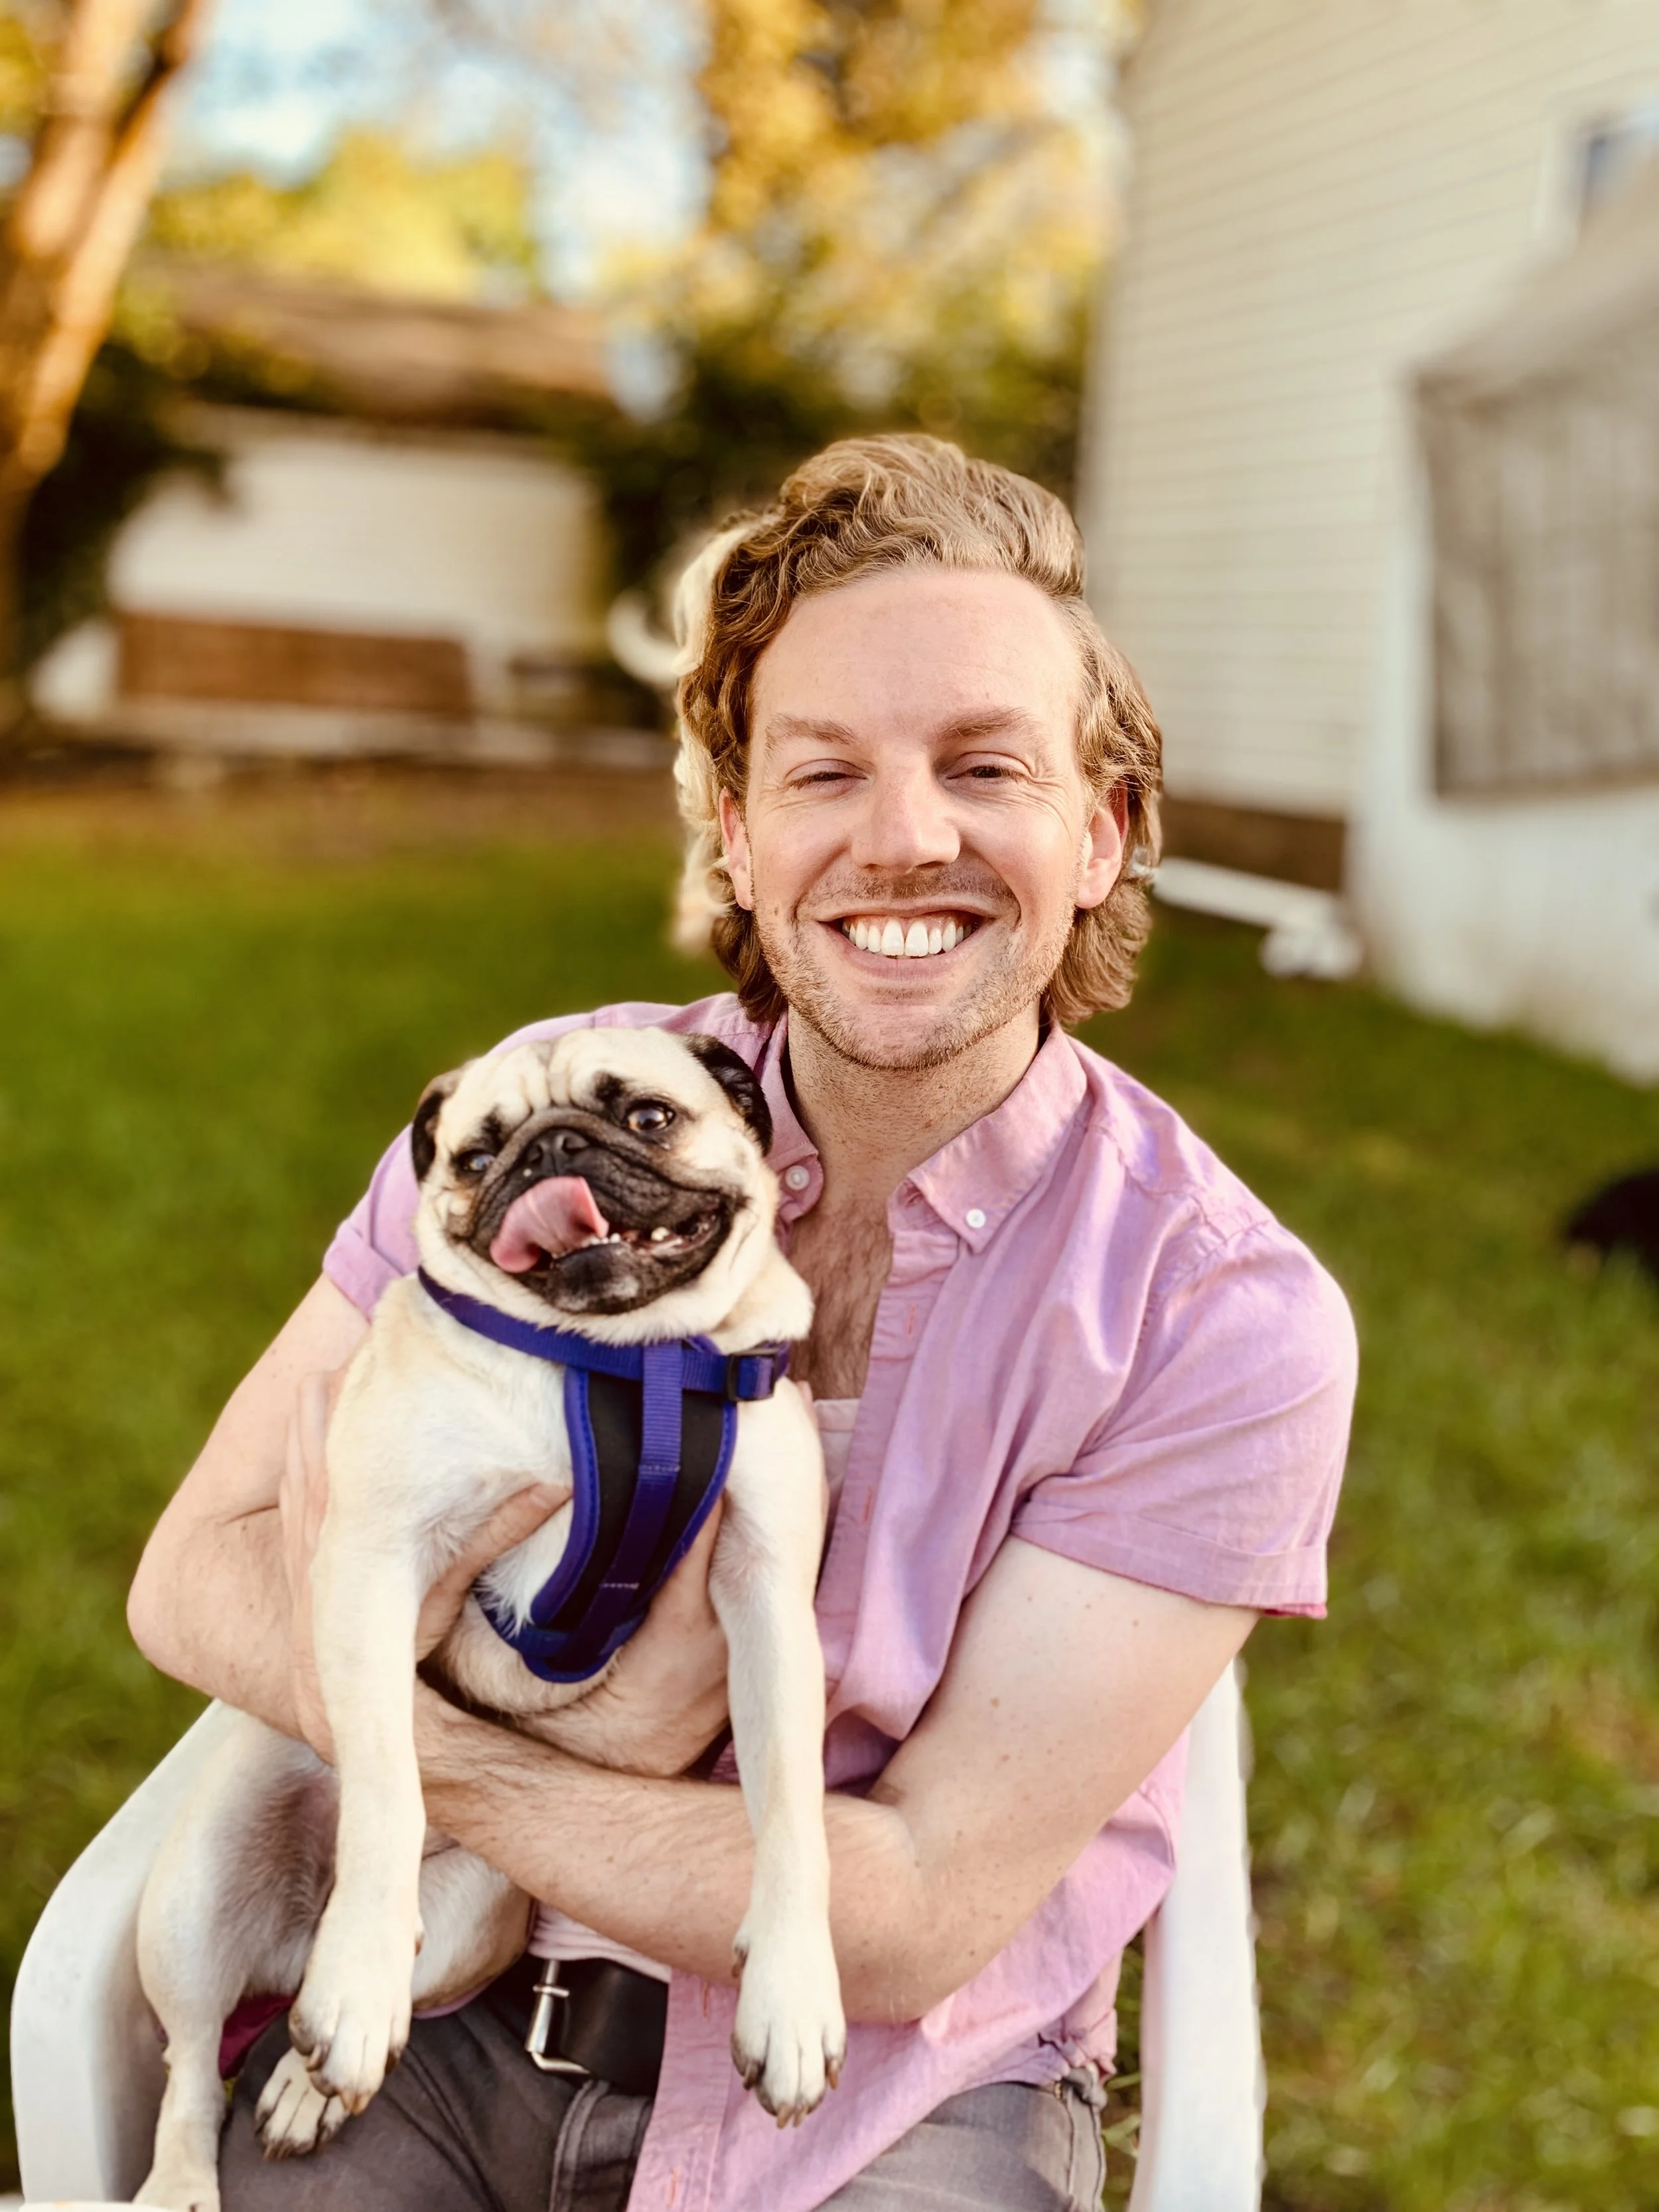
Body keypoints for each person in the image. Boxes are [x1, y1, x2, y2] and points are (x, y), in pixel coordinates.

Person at [128, 434, 1357, 2212]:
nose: (902, 836)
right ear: (738, 828)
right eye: (823, 770)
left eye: (983, 764)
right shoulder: (533, 1124)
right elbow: (194, 1570)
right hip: (433, 2012)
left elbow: (917, 1912)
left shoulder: (1221, 1322)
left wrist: (429, 1757)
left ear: (1101, 832)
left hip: (893, 2103)